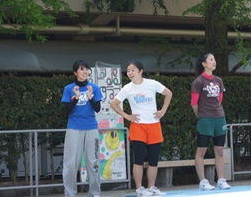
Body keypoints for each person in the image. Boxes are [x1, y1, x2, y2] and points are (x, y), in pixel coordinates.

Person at [110, 61, 172, 197]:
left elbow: (168, 94)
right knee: (138, 159)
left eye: (133, 70)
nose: (130, 73)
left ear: (140, 71)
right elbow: (113, 103)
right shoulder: (127, 88)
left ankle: (151, 187)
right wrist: (127, 116)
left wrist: (163, 111)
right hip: (138, 126)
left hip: (154, 125)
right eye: (128, 70)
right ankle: (139, 189)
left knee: (153, 159)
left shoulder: (152, 83)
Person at [61, 60, 103, 197]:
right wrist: (76, 98)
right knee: (71, 163)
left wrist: (90, 98)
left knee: (94, 162)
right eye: (81, 69)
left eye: (87, 69)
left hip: (91, 128)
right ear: (75, 72)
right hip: (74, 128)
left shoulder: (94, 88)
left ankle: (95, 194)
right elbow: (67, 111)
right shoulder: (69, 89)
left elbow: (97, 109)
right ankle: (70, 194)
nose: (85, 72)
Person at [191, 53, 231, 191]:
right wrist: (201, 116)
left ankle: (220, 179)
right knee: (201, 150)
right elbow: (194, 103)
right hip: (205, 119)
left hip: (220, 118)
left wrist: (215, 112)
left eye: (215, 59)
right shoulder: (198, 82)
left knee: (219, 150)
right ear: (204, 64)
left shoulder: (218, 80)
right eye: (211, 59)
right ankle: (203, 181)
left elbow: (220, 99)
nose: (214, 62)